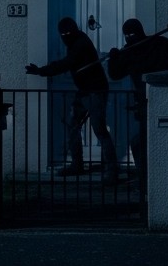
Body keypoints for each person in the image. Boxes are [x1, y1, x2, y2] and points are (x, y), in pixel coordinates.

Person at [25, 16, 120, 183]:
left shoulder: (80, 43)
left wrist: (42, 71)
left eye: (68, 33)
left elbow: (66, 63)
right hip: (84, 90)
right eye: (63, 34)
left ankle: (112, 170)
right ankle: (77, 164)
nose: (65, 36)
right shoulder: (74, 41)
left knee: (99, 129)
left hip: (96, 90)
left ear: (74, 31)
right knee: (72, 125)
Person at [106, 18, 168, 186]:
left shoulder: (134, 50)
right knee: (149, 141)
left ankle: (148, 181)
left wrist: (113, 58)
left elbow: (115, 74)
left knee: (143, 143)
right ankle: (153, 179)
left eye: (130, 34)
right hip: (165, 99)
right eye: (127, 35)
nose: (129, 37)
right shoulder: (155, 43)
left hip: (154, 101)